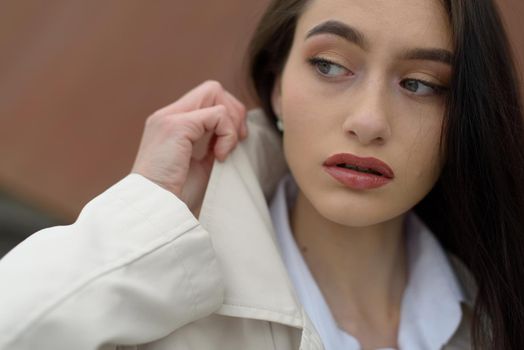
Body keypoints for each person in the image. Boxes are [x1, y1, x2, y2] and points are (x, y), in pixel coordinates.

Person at [0, 0, 523, 349]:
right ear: (275, 87)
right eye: (330, 65)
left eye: (420, 83)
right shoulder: (157, 303)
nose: (368, 121)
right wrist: (137, 227)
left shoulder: (495, 318)